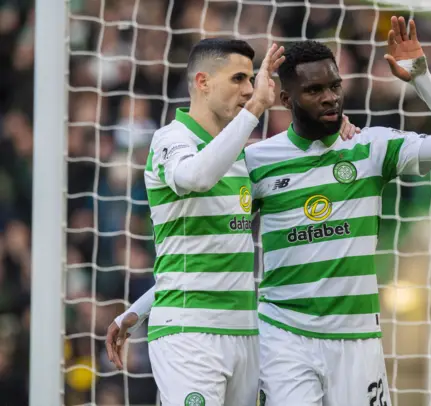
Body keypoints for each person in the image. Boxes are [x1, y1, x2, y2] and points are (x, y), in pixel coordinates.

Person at [105, 38, 359, 406]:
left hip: (244, 332)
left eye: (251, 79)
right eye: (238, 79)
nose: (248, 89)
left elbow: (207, 253)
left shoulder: (241, 156)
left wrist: (337, 133)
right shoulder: (170, 139)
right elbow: (196, 177)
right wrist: (255, 109)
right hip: (189, 331)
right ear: (203, 82)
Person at [243, 16, 431, 405]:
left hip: (357, 339)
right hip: (284, 335)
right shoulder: (256, 160)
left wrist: (421, 78)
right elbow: (219, 233)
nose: (330, 97)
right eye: (314, 90)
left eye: (334, 86)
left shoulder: (371, 148)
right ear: (286, 100)